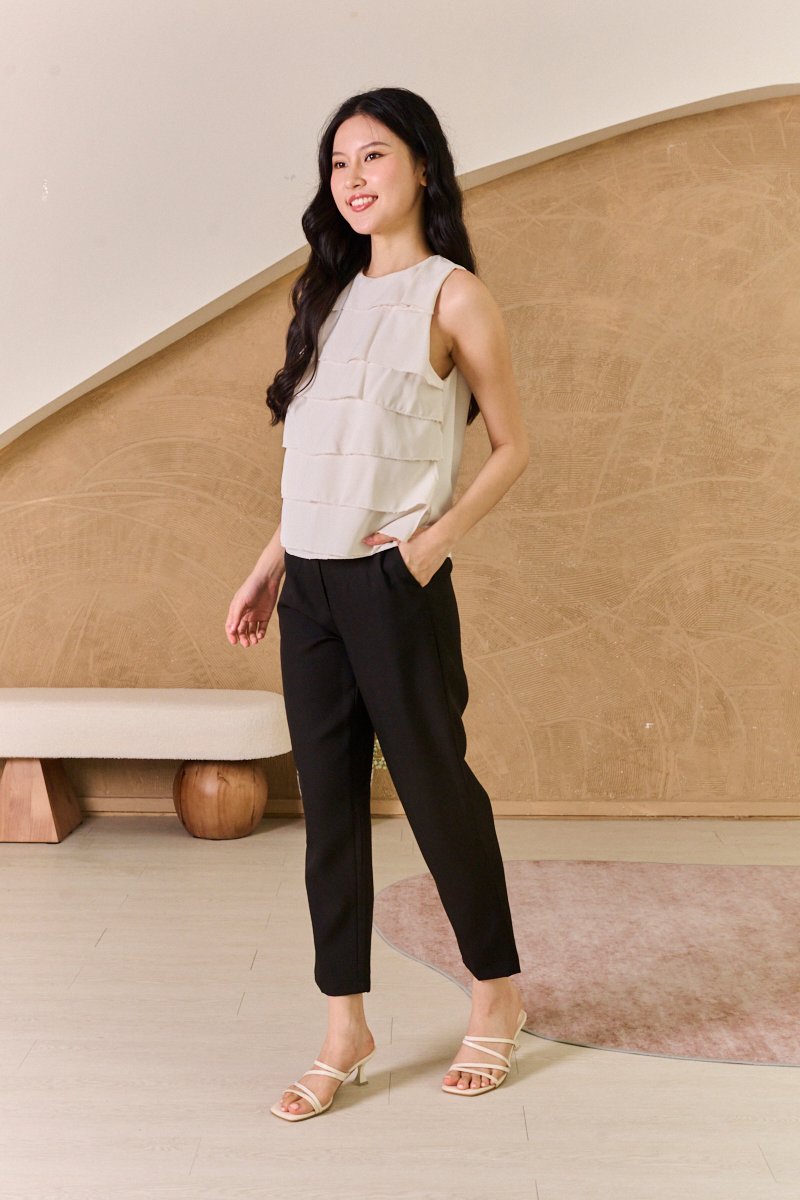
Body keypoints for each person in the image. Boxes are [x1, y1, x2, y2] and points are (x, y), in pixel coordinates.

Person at [225, 87, 529, 1122]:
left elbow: (512, 446)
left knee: (437, 794)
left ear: (423, 167)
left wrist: (428, 548)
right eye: (338, 163)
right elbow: (321, 459)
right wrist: (268, 565)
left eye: (374, 156)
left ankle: (496, 994)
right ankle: (343, 1026)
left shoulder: (455, 297)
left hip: (392, 585)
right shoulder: (325, 297)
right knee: (327, 811)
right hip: (307, 584)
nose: (353, 179)